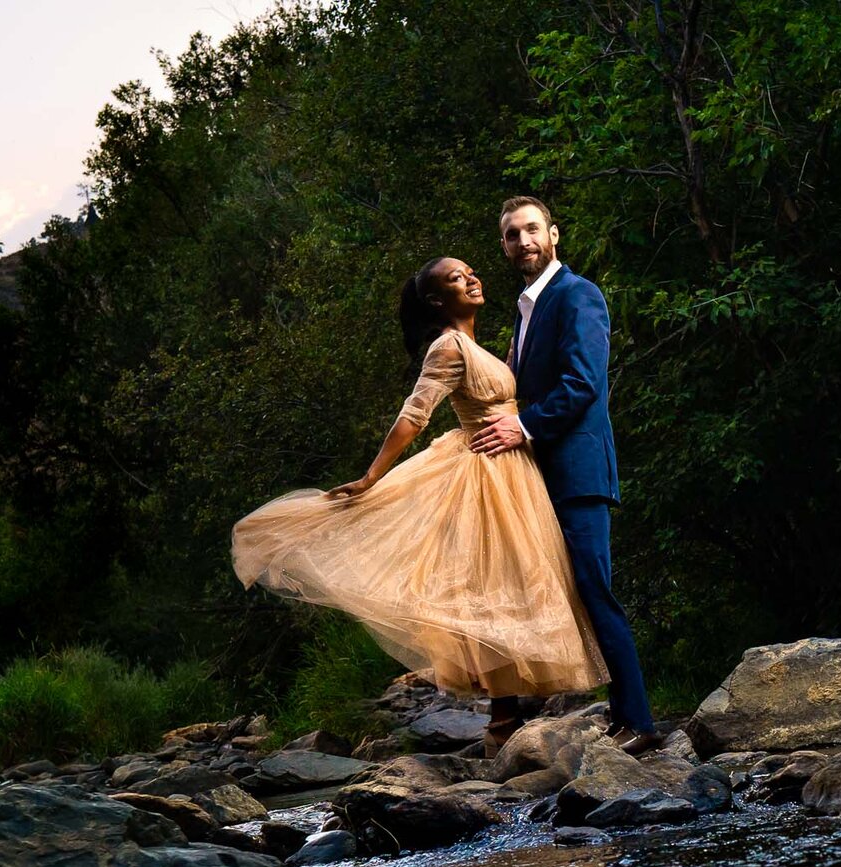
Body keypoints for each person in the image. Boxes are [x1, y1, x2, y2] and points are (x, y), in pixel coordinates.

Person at [229, 256, 607, 756]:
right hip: (486, 473)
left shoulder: (478, 344)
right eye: (456, 278)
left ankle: (507, 716)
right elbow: (415, 414)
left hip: (514, 470)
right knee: (495, 584)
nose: (472, 278)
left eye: (471, 271)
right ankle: (502, 723)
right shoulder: (448, 346)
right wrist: (371, 476)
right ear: (436, 300)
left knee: (514, 582)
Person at [467, 195, 661, 753]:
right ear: (504, 247)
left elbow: (582, 385)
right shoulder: (526, 312)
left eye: (532, 229)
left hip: (577, 471)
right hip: (538, 477)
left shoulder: (578, 295)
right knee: (564, 592)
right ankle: (615, 716)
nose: (523, 240)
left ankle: (640, 724)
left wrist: (521, 427)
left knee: (595, 590)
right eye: (511, 235)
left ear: (554, 235)